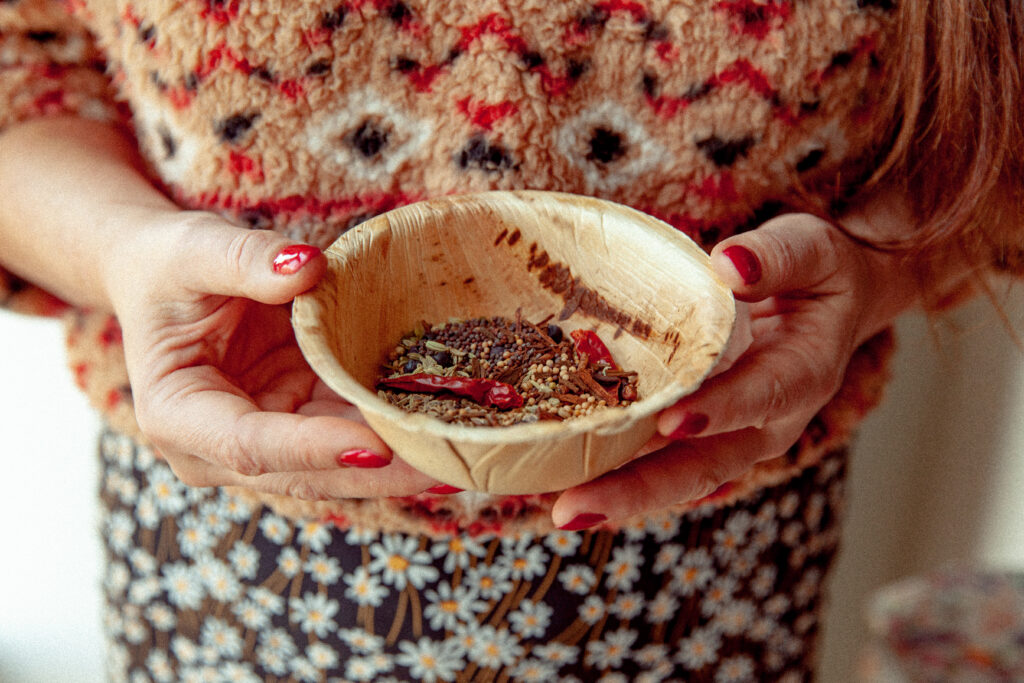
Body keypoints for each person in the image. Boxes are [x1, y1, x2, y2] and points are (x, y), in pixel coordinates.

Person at [0, 0, 1020, 680]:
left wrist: (880, 260)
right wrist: (125, 245)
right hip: (229, 543)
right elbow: (21, 60)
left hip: (708, 553)